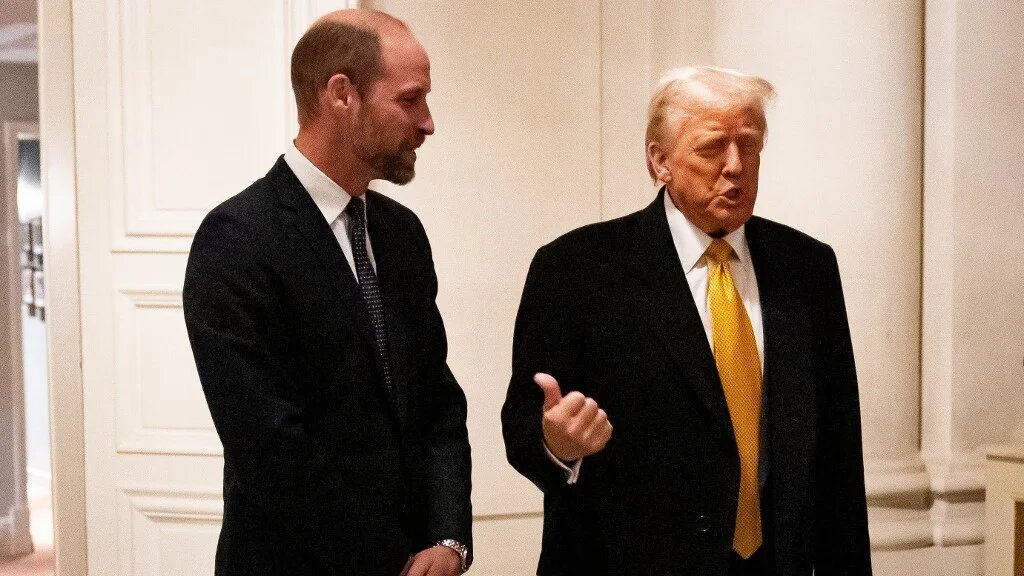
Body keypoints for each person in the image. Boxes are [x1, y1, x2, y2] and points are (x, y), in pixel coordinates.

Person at [502, 66, 871, 576]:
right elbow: (522, 430)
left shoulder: (807, 266)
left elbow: (837, 454)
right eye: (712, 147)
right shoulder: (578, 268)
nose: (736, 166)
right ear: (660, 161)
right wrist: (557, 443)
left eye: (751, 146)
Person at [183, 9, 471, 576]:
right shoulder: (237, 240)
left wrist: (448, 540)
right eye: (410, 99)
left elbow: (438, 402)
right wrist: (394, 562)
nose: (428, 122)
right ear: (342, 94)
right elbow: (272, 448)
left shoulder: (401, 233)